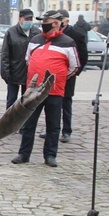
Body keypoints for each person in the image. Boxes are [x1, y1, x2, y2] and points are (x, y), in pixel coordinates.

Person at [12, 10, 78, 167]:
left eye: (46, 21)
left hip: (55, 91)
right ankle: (24, 153)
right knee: (29, 123)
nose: (43, 24)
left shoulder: (68, 42)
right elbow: (28, 60)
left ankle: (50, 155)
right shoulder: (35, 40)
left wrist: (58, 77)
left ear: (56, 23)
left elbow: (74, 67)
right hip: (34, 90)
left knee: (53, 125)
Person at [55, 9, 88, 143]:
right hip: (54, 76)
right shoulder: (53, 34)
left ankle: (66, 131)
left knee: (66, 104)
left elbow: (83, 57)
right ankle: (52, 129)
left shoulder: (76, 35)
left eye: (60, 20)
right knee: (52, 104)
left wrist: (75, 72)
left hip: (68, 76)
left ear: (66, 21)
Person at [0, 8, 39, 109]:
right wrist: (5, 73)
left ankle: (25, 124)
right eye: (26, 19)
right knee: (11, 102)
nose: (29, 21)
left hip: (30, 74)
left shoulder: (36, 32)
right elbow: (5, 55)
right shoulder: (11, 33)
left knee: (27, 102)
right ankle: (10, 123)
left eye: (30, 19)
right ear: (20, 18)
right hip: (14, 73)